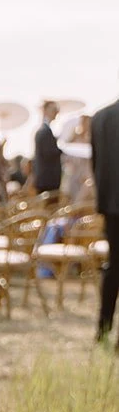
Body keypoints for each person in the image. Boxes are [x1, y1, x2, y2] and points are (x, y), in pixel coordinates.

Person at [91, 92, 119, 344]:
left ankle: (103, 328)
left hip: (110, 204)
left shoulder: (99, 118)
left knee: (114, 266)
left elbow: (96, 165)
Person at [60, 116, 95, 207]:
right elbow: (66, 159)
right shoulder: (74, 140)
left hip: (87, 178)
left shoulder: (92, 140)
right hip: (75, 178)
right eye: (84, 123)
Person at [33, 102, 63, 194]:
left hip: (47, 181)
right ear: (45, 111)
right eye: (53, 109)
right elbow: (49, 153)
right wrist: (63, 148)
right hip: (48, 181)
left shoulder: (45, 131)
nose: (56, 112)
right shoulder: (44, 131)